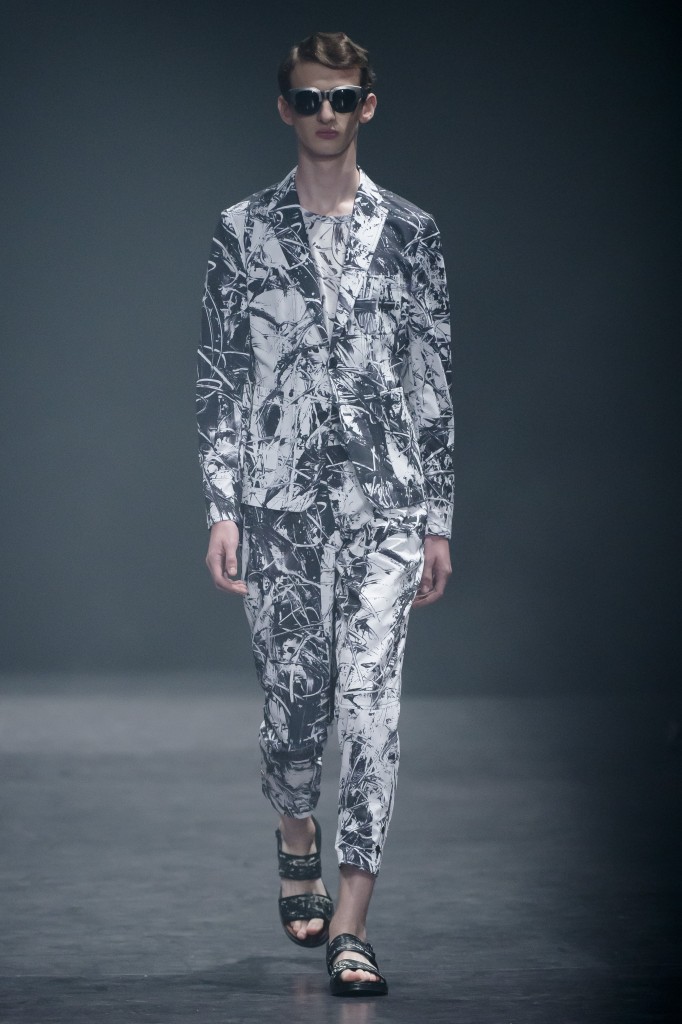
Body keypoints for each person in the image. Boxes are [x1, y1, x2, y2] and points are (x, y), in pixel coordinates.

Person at [196, 30, 454, 997]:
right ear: (285, 109)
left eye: (342, 98)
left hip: (385, 505)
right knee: (295, 712)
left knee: (371, 711)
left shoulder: (413, 232)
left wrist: (437, 518)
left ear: (367, 105)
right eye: (309, 99)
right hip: (278, 508)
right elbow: (220, 376)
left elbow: (431, 380)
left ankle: (352, 926)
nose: (327, 115)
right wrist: (221, 504)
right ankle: (295, 826)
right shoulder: (240, 230)